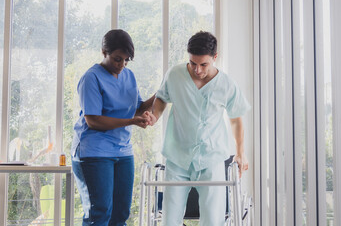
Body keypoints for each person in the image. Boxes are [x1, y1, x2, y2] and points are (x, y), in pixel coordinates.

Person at [145, 31, 250, 226]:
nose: (197, 70)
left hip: (212, 158)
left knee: (213, 219)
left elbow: (236, 118)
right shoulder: (175, 74)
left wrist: (241, 153)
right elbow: (161, 97)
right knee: (170, 218)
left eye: (204, 64)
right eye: (193, 63)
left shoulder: (226, 84)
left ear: (215, 58)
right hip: (178, 156)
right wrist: (155, 116)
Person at [71, 29, 154, 226]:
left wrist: (160, 94)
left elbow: (137, 108)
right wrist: (131, 122)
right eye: (117, 59)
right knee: (99, 213)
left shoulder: (129, 76)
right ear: (104, 52)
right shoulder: (91, 78)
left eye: (126, 60)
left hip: (123, 151)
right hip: (94, 151)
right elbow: (94, 120)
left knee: (120, 213)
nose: (121, 65)